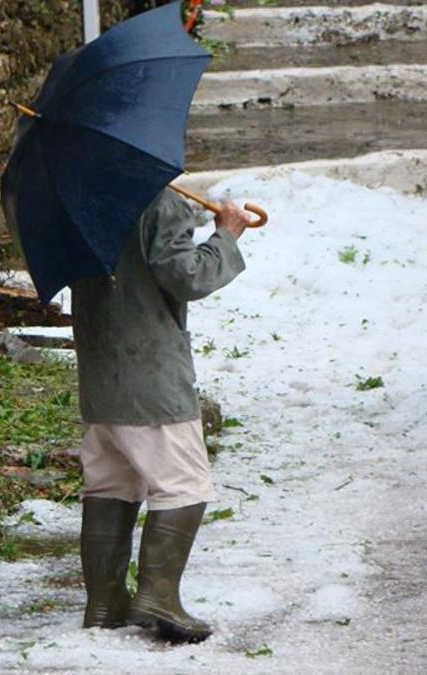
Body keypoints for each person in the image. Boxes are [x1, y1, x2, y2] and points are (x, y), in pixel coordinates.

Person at [71, 188, 251, 644]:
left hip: (100, 369)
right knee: (185, 483)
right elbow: (187, 277)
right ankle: (158, 595)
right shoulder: (157, 200)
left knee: (111, 482)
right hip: (149, 374)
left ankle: (106, 602)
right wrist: (226, 236)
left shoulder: (76, 197)